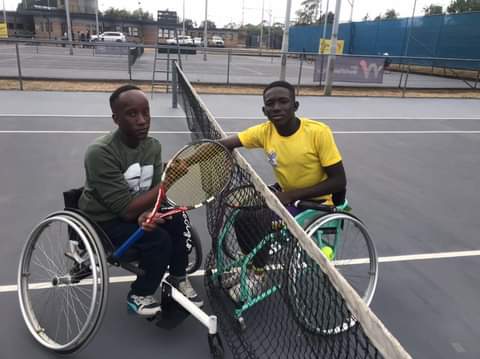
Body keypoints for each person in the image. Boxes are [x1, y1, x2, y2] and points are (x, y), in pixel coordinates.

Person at [79, 85, 203, 316]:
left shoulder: (152, 146)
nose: (142, 120)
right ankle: (139, 293)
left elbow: (154, 189)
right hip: (105, 219)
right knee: (158, 240)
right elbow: (125, 210)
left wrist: (149, 211)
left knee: (175, 218)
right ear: (116, 118)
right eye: (132, 114)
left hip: (135, 208)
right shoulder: (100, 153)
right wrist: (167, 184)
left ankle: (178, 276)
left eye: (146, 113)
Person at [219, 80, 346, 301]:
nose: (277, 107)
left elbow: (339, 181)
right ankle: (251, 265)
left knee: (260, 220)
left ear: (295, 106)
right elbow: (227, 143)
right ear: (264, 110)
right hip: (286, 199)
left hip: (316, 204)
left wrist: (292, 195)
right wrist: (191, 157)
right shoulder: (265, 132)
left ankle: (258, 274)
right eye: (271, 103)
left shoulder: (318, 132)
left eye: (283, 101)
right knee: (241, 216)